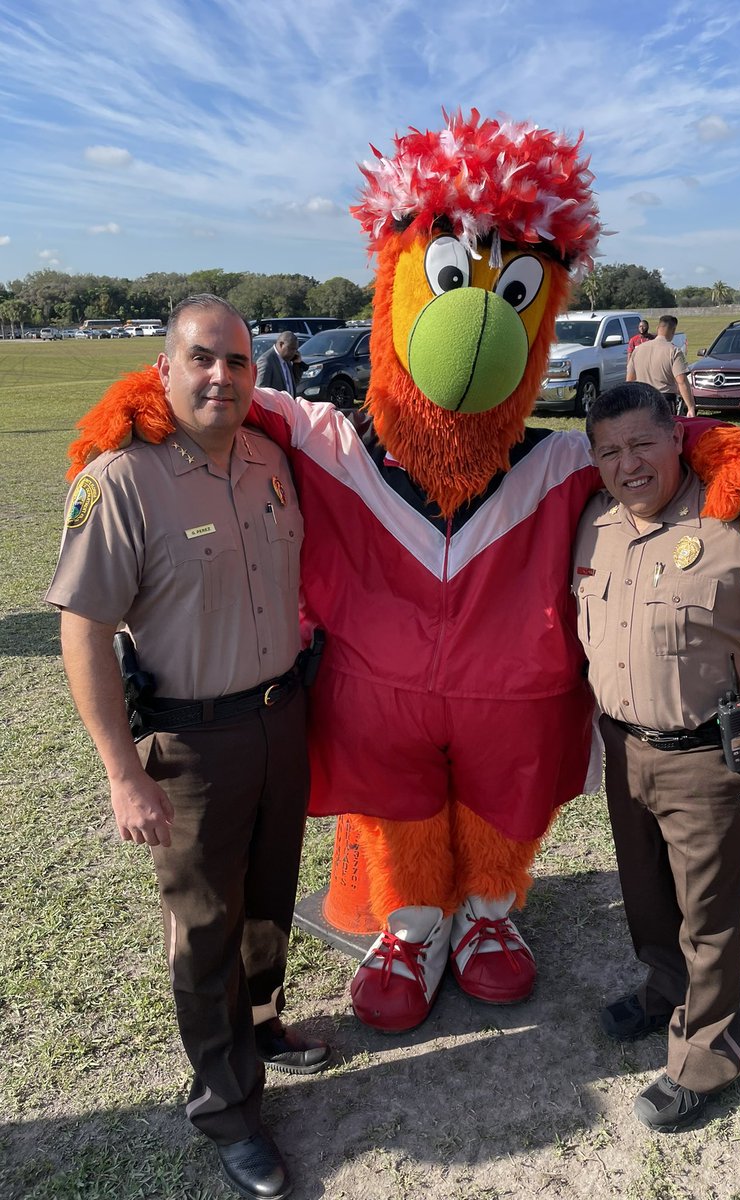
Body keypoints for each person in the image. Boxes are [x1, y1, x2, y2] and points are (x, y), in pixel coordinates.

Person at [46, 295, 329, 1200]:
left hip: (282, 718)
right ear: (165, 369)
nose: (222, 377)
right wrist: (123, 774)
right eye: (202, 359)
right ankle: (224, 1106)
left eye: (239, 363)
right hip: (193, 742)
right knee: (203, 928)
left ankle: (262, 1026)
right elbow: (84, 631)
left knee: (268, 898)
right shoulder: (121, 480)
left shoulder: (271, 463)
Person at [573, 382, 740, 1132]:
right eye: (610, 451)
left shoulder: (738, 524)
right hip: (624, 751)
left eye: (642, 445)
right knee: (647, 898)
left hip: (709, 760)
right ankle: (667, 992)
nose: (628, 465)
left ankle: (708, 1055)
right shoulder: (593, 527)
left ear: (676, 441)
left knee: (710, 918)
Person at [627, 315, 696, 416]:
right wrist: (690, 407)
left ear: (658, 328)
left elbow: (629, 381)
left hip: (642, 400)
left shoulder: (638, 350)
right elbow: (681, 381)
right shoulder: (674, 351)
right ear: (673, 330)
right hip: (664, 400)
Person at [256, 330, 300, 396]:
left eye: (295, 349)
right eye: (291, 349)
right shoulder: (266, 361)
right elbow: (261, 393)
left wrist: (297, 365)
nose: (294, 352)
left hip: (288, 405)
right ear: (281, 344)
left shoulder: (287, 359)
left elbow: (292, 385)